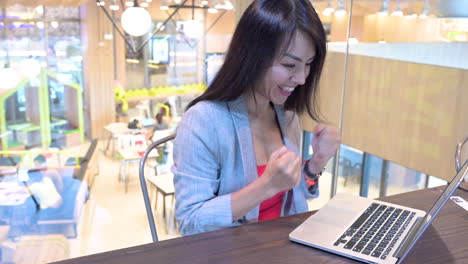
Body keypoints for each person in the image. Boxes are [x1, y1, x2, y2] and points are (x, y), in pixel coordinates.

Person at [172, 0, 340, 236]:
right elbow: (190, 221)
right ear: (252, 56)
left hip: (283, 247)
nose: (302, 78)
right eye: (290, 64)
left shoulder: (286, 115)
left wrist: (316, 164)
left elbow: (291, 191)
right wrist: (266, 186)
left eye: (309, 65)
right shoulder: (203, 121)